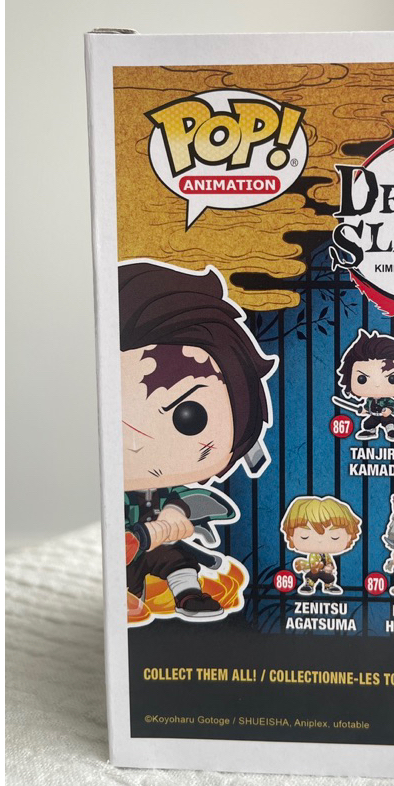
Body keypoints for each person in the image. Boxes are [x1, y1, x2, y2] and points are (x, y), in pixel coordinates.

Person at [119, 260, 277, 619]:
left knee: (176, 559)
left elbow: (197, 501)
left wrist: (174, 514)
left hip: (153, 545)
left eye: (189, 416)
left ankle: (188, 594)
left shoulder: (163, 490)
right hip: (112, 558)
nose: (137, 443)